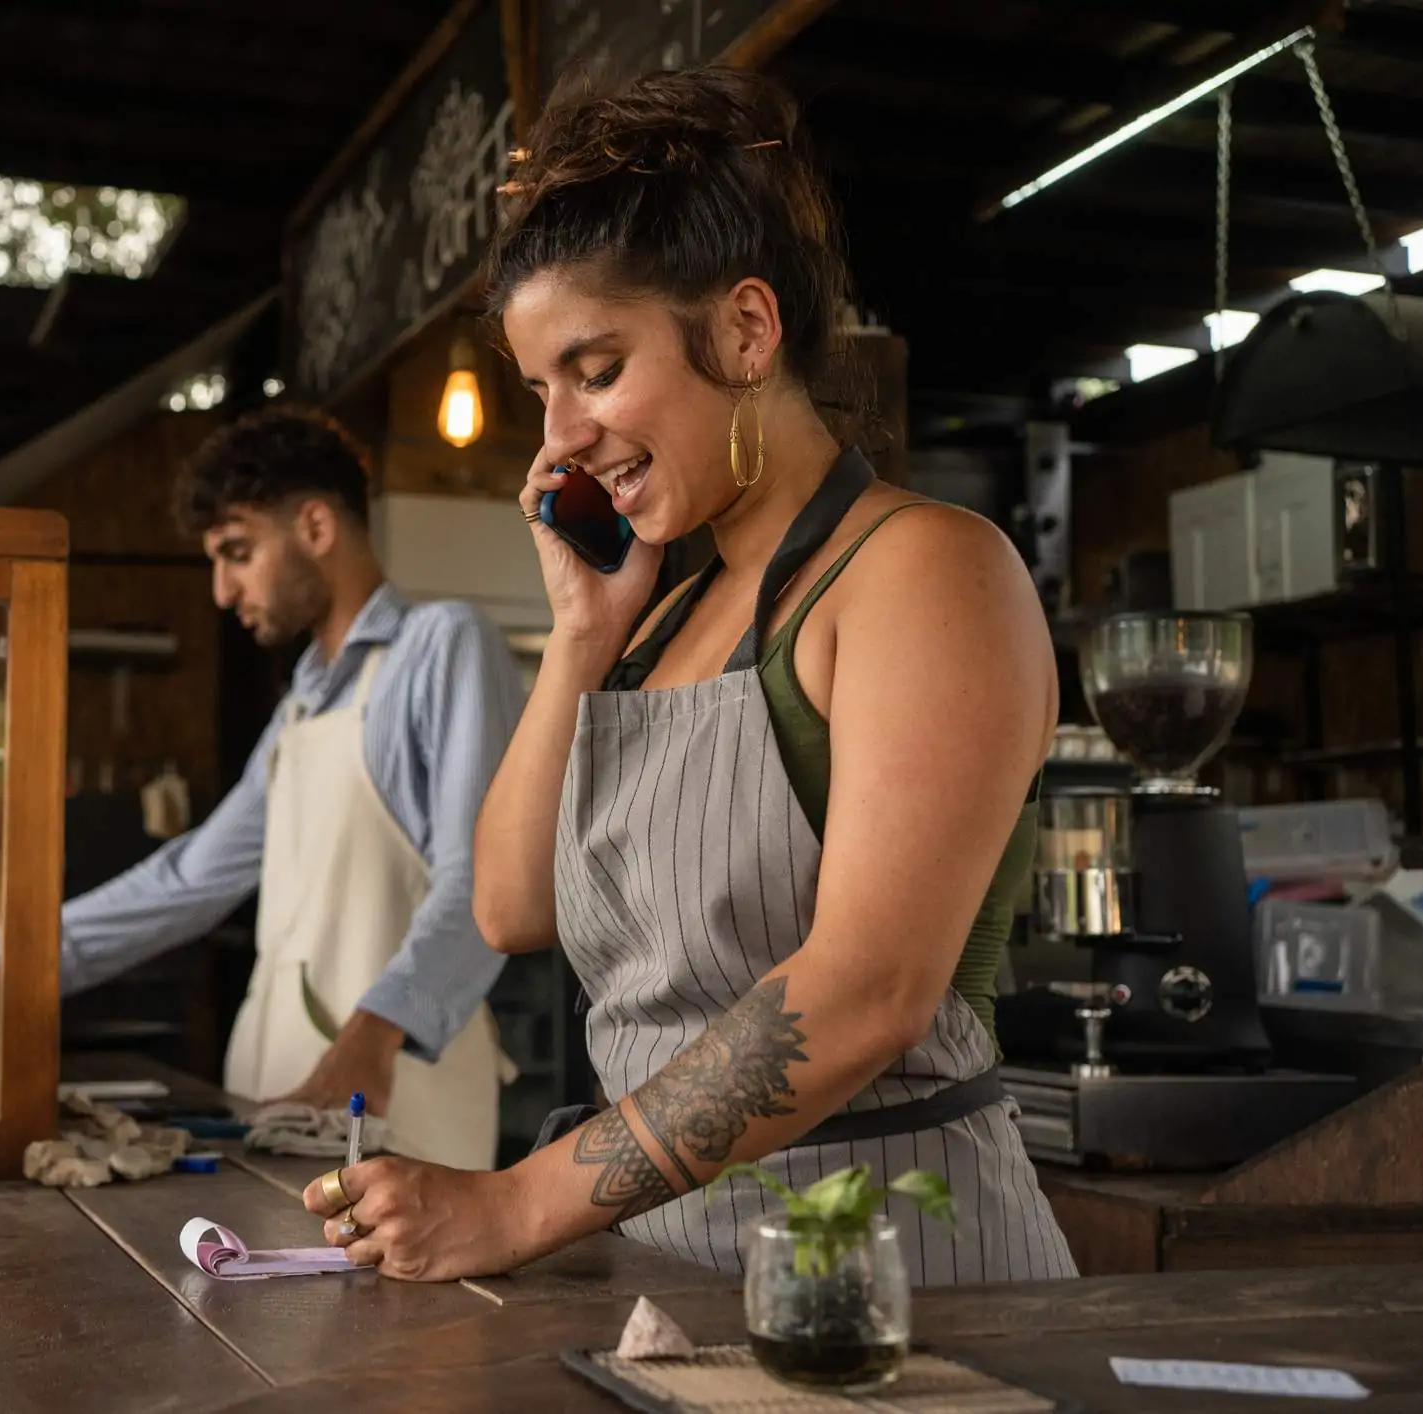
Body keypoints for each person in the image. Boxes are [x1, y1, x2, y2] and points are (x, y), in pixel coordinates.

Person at [301, 67, 1077, 1283]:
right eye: (541, 391)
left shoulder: (925, 574)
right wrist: (581, 637)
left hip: (894, 1267)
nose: (558, 436)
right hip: (675, 1269)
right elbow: (511, 907)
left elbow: (868, 987)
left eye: (596, 370)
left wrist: (514, 1206)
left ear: (746, 331)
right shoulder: (658, 622)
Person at [60, 406, 527, 1171]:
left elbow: (481, 882)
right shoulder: (301, 706)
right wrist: (19, 962)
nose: (221, 590)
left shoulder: (441, 647)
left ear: (314, 526)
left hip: (390, 1106)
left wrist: (372, 1035)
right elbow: (189, 878)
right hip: (274, 1107)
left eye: (237, 553)